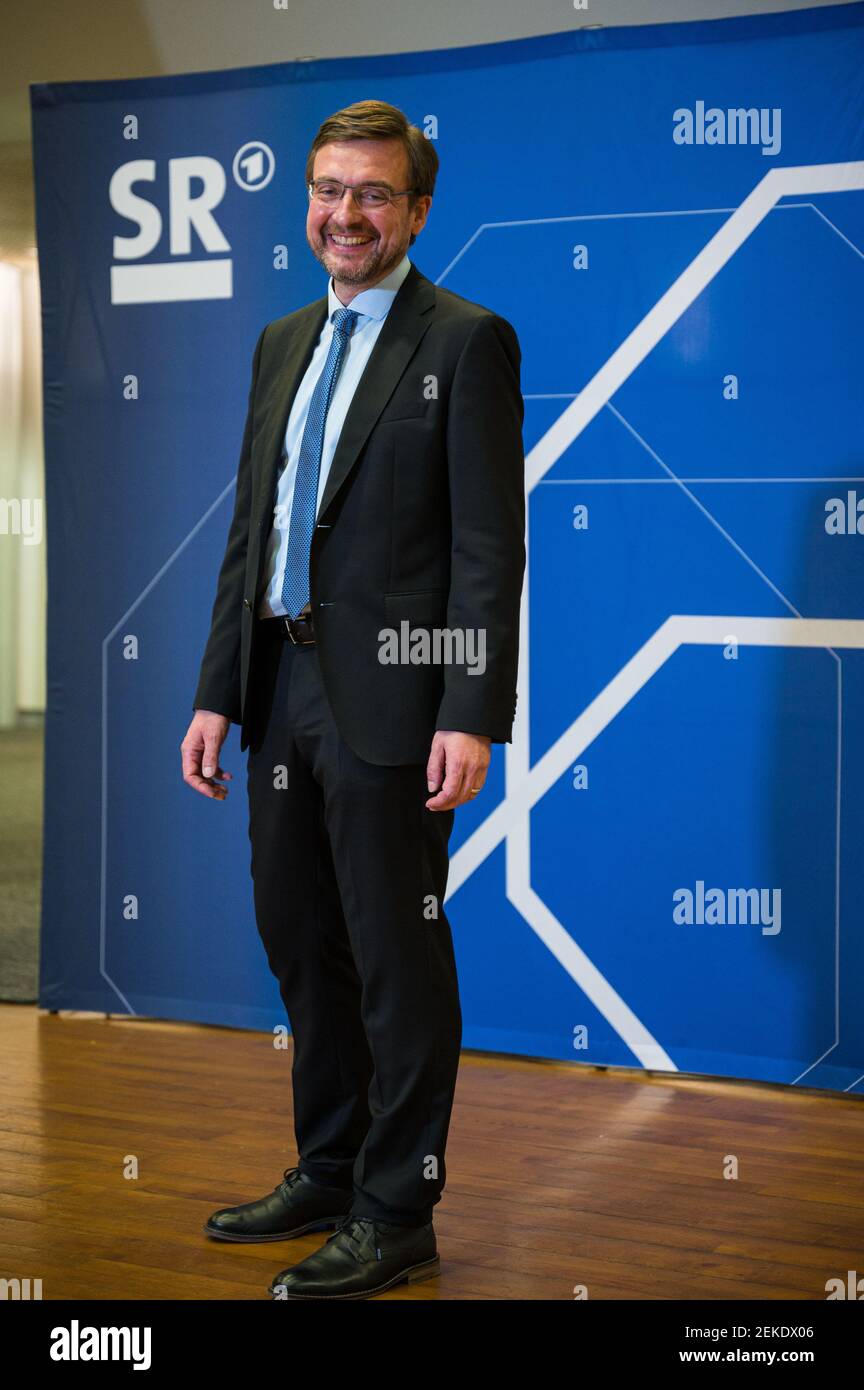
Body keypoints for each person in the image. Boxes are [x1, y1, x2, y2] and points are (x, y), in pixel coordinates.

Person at [180, 98, 525, 1300]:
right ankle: (327, 1166)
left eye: (373, 194)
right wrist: (219, 688)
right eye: (330, 189)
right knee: (303, 946)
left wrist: (473, 708)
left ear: (416, 211)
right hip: (280, 685)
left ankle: (397, 1207)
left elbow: (488, 549)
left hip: (394, 701)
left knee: (396, 960)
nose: (346, 214)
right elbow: (251, 529)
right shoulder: (282, 340)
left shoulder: (465, 341)